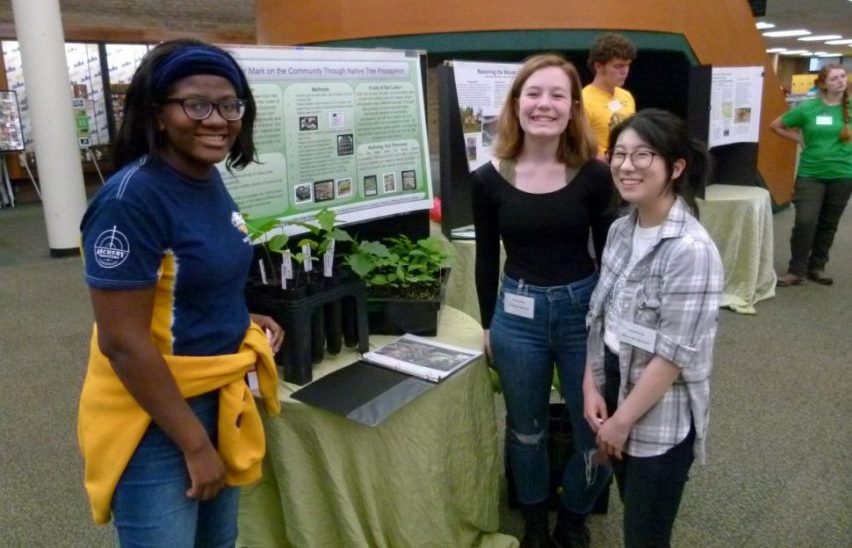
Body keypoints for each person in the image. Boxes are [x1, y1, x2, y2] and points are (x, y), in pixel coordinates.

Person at [77, 39, 285, 547]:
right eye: (196, 104)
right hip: (157, 416)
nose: (217, 119)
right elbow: (122, 342)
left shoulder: (205, 178)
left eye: (230, 104)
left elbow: (189, 278)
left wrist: (240, 318)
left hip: (217, 396)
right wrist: (194, 445)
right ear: (158, 114)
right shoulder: (130, 201)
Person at [471, 53, 615, 548]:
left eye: (558, 95)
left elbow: (612, 257)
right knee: (526, 428)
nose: (544, 105)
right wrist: (488, 322)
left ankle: (573, 517)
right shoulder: (488, 178)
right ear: (516, 103)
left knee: (594, 429)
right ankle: (533, 518)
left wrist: (609, 325)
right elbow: (486, 256)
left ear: (574, 107)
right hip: (517, 314)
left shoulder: (594, 176)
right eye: (533, 93)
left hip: (584, 311)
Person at [583, 109, 723, 548]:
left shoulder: (691, 250)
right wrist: (591, 386)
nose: (627, 166)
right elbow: (600, 315)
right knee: (631, 510)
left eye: (643, 155)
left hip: (657, 406)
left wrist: (622, 421)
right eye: (619, 154)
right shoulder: (622, 230)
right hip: (613, 383)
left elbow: (674, 355)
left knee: (645, 534)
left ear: (676, 167)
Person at [769, 64, 852, 286]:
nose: (841, 81)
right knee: (806, 221)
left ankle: (817, 266)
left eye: (843, 76)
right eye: (835, 78)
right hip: (811, 174)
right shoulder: (808, 108)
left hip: (843, 174)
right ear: (823, 84)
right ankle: (796, 269)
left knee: (828, 223)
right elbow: (776, 125)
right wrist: (797, 139)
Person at [582, 33, 637, 158]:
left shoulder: (626, 96)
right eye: (618, 66)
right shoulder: (584, 101)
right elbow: (580, 148)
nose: (625, 71)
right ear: (598, 66)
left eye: (627, 65)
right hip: (600, 171)